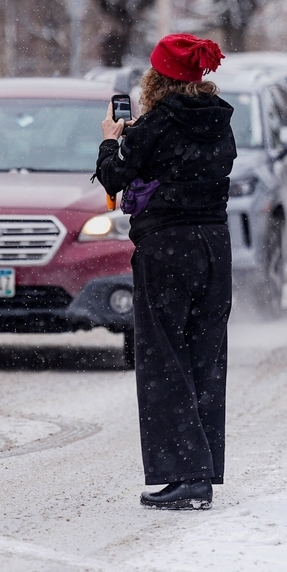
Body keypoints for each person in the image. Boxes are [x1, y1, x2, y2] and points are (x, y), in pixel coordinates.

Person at [94, 34, 236, 510]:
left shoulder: (154, 126)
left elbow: (115, 178)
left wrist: (111, 141)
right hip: (215, 246)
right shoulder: (221, 124)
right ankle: (203, 469)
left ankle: (184, 475)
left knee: (163, 358)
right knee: (205, 355)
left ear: (157, 78)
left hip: (166, 248)